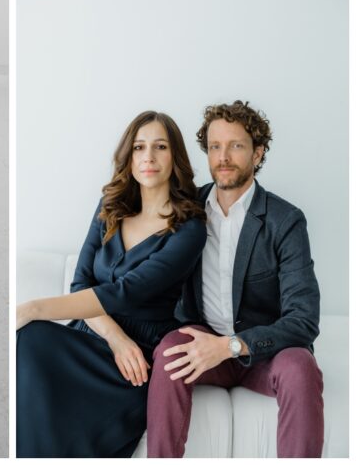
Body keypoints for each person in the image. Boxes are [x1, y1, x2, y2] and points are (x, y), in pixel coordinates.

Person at [16, 112, 206, 457]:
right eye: (139, 147)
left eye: (160, 147)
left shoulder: (189, 229)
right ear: (128, 157)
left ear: (174, 157)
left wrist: (34, 307)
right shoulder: (110, 207)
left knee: (31, 326)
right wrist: (115, 337)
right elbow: (81, 283)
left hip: (137, 358)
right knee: (29, 339)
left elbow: (124, 293)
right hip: (94, 336)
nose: (148, 157)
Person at [146, 102, 323, 457]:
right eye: (215, 147)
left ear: (258, 153)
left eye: (236, 146)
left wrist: (230, 346)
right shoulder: (185, 211)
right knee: (168, 353)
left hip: (266, 351)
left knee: (301, 368)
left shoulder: (286, 221)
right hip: (203, 339)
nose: (223, 157)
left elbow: (303, 319)